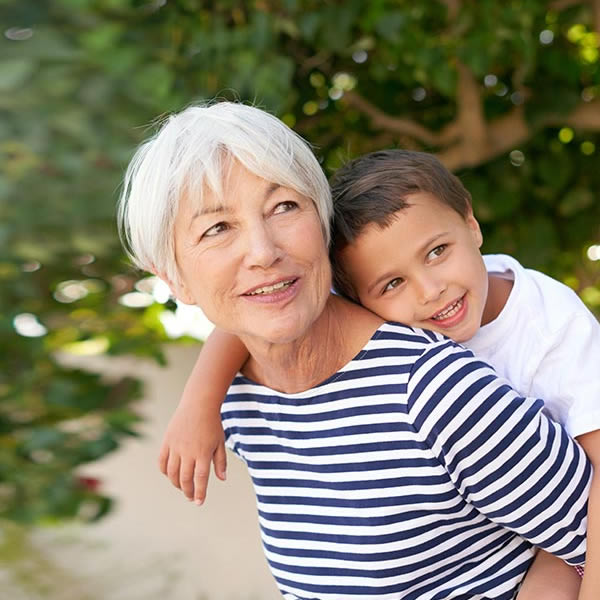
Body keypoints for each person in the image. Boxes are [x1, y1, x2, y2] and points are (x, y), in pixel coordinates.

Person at [120, 102, 590, 600]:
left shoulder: (436, 392)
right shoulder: (236, 398)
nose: (263, 251)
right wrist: (199, 403)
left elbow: (581, 544)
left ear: (322, 224)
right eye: (217, 228)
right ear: (172, 279)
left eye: (284, 207)